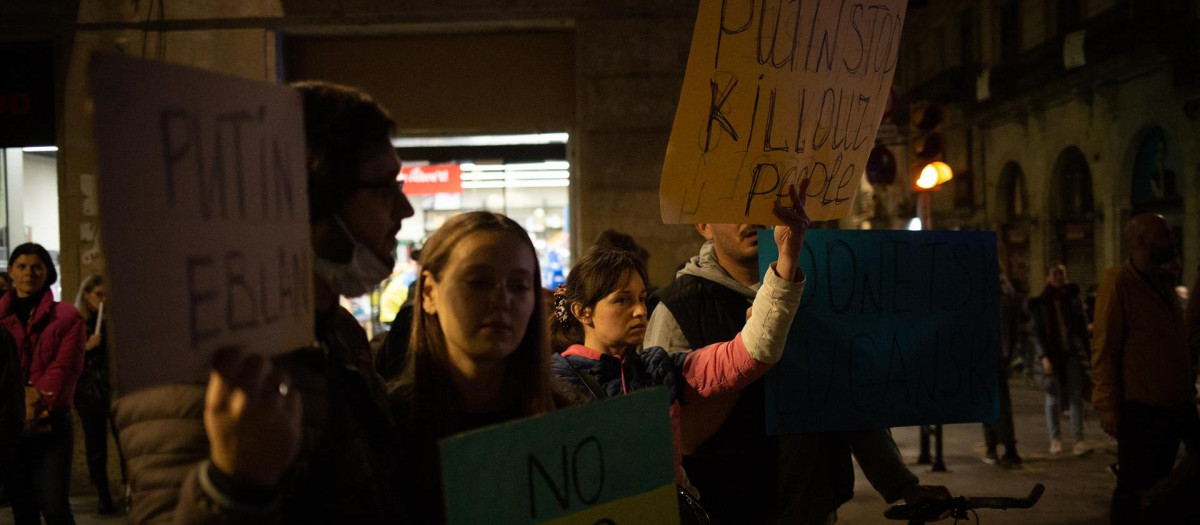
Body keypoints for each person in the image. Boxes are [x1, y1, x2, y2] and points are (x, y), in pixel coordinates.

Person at [113, 81, 415, 523]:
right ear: (308, 199)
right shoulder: (195, 360)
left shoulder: (340, 332)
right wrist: (235, 482)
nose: (404, 209)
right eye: (384, 187)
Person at [644, 218, 948, 525]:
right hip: (723, 505)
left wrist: (901, 483)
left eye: (759, 203)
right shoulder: (678, 307)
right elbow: (663, 430)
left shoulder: (815, 290)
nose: (751, 218)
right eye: (733, 208)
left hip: (810, 503)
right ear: (704, 226)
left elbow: (850, 393)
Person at [551, 183, 809, 498]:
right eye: (622, 300)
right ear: (582, 311)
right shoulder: (555, 381)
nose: (639, 311)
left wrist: (786, 258)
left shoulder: (658, 368)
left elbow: (750, 353)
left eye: (642, 298)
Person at [389, 211, 580, 523]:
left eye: (518, 286)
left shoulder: (568, 425)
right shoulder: (384, 429)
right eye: (478, 282)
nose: (501, 300)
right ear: (428, 292)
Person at [1092, 213, 1200, 524]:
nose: (1172, 239)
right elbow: (1104, 347)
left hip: (1178, 400)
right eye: (1164, 235)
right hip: (1142, 406)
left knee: (1178, 472)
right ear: (1142, 242)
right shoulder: (1119, 283)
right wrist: (1107, 404)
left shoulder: (1162, 281)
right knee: (1134, 486)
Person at [1, 243, 86, 525]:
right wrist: (17, 400)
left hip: (52, 422)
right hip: (10, 424)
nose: (29, 273)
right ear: (11, 271)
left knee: (54, 507)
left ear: (47, 271)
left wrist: (32, 401)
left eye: (37, 266)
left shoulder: (67, 317)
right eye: (22, 266)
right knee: (23, 509)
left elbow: (65, 367)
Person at [71, 275, 123, 514]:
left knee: (126, 443)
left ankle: (130, 488)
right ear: (87, 296)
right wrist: (86, 347)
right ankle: (103, 494)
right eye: (99, 295)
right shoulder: (75, 325)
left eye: (106, 295)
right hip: (89, 392)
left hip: (114, 390)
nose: (104, 300)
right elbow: (65, 361)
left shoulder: (115, 322)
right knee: (96, 446)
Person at [1030, 263, 1092, 455]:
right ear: (1048, 277)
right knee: (1052, 398)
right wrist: (1044, 357)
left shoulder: (1072, 299)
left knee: (1075, 397)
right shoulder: (1040, 303)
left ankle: (1078, 440)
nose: (1058, 277)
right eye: (1055, 274)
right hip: (1052, 355)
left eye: (1061, 274)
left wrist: (1086, 353)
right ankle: (1055, 439)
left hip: (1071, 354)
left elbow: (1081, 328)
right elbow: (1036, 333)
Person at [982, 272, 1021, 465]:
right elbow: (1015, 328)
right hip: (1002, 354)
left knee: (989, 402)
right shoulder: (1009, 293)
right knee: (1002, 401)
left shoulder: (981, 290)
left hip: (986, 353)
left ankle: (993, 447)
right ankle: (1007, 446)